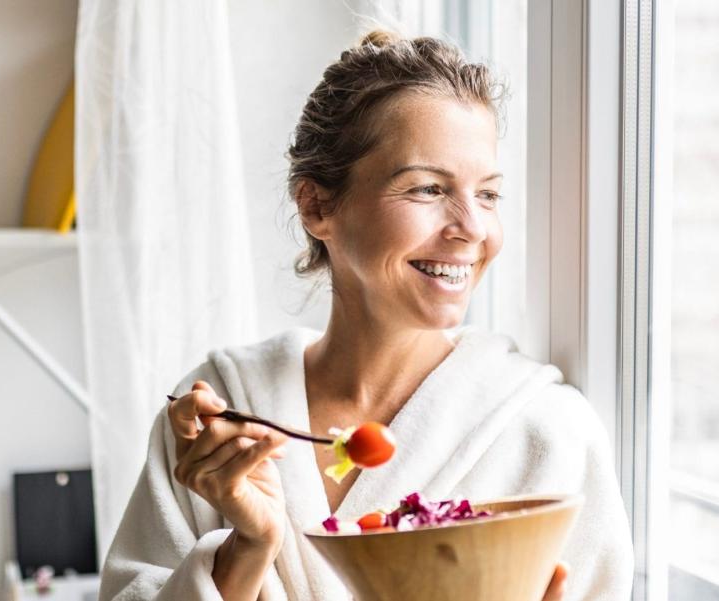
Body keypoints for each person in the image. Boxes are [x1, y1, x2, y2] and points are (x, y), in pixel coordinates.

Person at [99, 30, 633, 601]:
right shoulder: (220, 419)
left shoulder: (546, 433)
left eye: (488, 195)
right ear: (318, 206)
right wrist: (245, 552)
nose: (472, 229)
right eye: (428, 189)